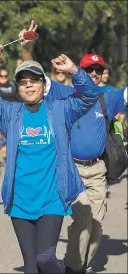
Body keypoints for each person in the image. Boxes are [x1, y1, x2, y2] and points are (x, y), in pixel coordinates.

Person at [0, 44, 100, 274]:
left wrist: (73, 70)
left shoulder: (62, 110)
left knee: (46, 258)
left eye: (34, 79)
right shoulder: (9, 113)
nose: (29, 84)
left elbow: (90, 94)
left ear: (43, 84)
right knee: (32, 268)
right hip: (20, 201)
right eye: (23, 81)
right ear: (19, 88)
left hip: (52, 197)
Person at [47, 54, 127, 274]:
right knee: (83, 221)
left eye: (98, 70)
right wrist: (27, 50)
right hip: (73, 170)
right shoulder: (65, 94)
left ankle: (82, 264)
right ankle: (73, 267)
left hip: (98, 170)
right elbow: (36, 81)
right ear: (78, 73)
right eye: (89, 69)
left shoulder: (107, 97)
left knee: (96, 226)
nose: (94, 73)